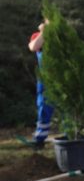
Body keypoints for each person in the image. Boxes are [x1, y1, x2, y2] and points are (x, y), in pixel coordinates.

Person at [28, 19, 54, 150]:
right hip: (46, 80)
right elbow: (33, 47)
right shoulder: (38, 36)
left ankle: (72, 135)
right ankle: (39, 140)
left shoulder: (62, 37)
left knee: (68, 109)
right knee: (44, 108)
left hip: (63, 78)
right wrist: (44, 32)